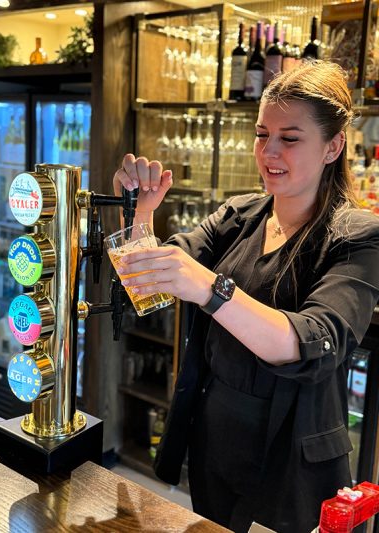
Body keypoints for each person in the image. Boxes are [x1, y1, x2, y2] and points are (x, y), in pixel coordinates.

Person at [112, 60, 379, 533]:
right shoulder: (238, 216)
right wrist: (141, 214)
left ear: (333, 146)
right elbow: (145, 281)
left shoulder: (358, 237)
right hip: (216, 443)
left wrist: (209, 288)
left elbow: (313, 341)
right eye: (261, 134)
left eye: (289, 138)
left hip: (292, 463)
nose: (269, 151)